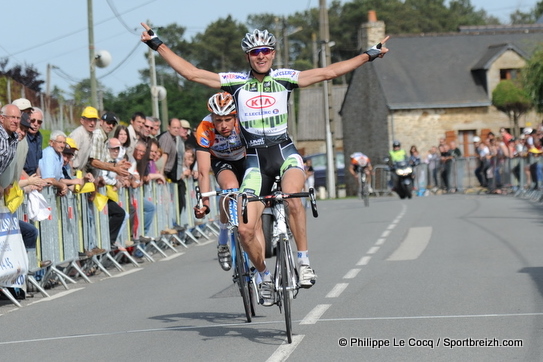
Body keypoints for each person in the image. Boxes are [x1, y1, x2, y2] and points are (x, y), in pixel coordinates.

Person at [141, 23, 389, 305]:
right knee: (245, 229)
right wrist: (157, 44)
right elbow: (192, 73)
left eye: (266, 51)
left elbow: (329, 72)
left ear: (273, 53)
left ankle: (304, 261)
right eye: (255, 51)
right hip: (255, 160)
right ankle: (263, 276)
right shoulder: (235, 82)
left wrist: (368, 54)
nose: (261, 56)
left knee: (294, 198)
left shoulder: (285, 78)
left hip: (284, 151)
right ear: (248, 55)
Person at [193, 92, 245, 272]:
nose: (223, 125)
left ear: (235, 116)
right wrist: (204, 203)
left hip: (245, 158)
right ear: (212, 118)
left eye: (228, 119)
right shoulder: (204, 128)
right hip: (222, 161)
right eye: (218, 120)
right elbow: (202, 171)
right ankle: (223, 238)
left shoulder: (244, 122)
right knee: (229, 189)